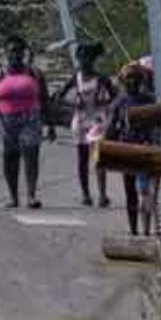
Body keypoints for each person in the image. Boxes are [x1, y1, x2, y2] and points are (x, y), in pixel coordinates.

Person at [0, 35, 56, 209]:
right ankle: (13, 197)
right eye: (12, 51)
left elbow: (45, 100)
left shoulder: (35, 74)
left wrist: (50, 124)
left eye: (19, 51)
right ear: (6, 53)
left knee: (31, 155)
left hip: (31, 120)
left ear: (24, 53)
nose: (16, 54)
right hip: (6, 123)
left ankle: (31, 195)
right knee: (10, 158)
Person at [56, 41, 116, 207]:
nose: (84, 63)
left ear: (93, 60)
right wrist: (73, 105)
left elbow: (116, 97)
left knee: (98, 157)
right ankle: (86, 194)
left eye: (88, 59)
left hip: (97, 119)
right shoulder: (76, 77)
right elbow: (59, 96)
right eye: (82, 59)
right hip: (80, 119)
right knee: (82, 159)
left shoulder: (101, 78)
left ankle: (103, 195)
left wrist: (105, 103)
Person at [109, 64, 159, 237]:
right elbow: (112, 129)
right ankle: (133, 230)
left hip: (145, 148)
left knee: (145, 191)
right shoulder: (119, 102)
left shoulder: (150, 100)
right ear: (123, 81)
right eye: (129, 79)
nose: (132, 82)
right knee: (130, 192)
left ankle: (146, 231)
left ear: (141, 81)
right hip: (126, 149)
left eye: (136, 79)